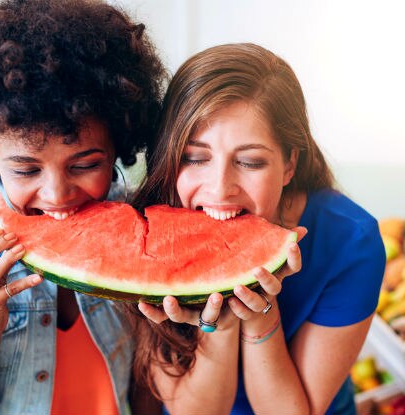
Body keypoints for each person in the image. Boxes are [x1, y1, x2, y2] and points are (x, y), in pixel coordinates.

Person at [0, 1, 165, 414]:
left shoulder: (143, 225)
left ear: (119, 142)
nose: (57, 194)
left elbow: (147, 394)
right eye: (25, 170)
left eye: (85, 164)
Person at [127, 43, 386, 415]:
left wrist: (260, 313)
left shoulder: (351, 242)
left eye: (249, 161)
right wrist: (221, 326)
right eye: (194, 157)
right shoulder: (148, 228)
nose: (219, 187)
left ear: (289, 164)